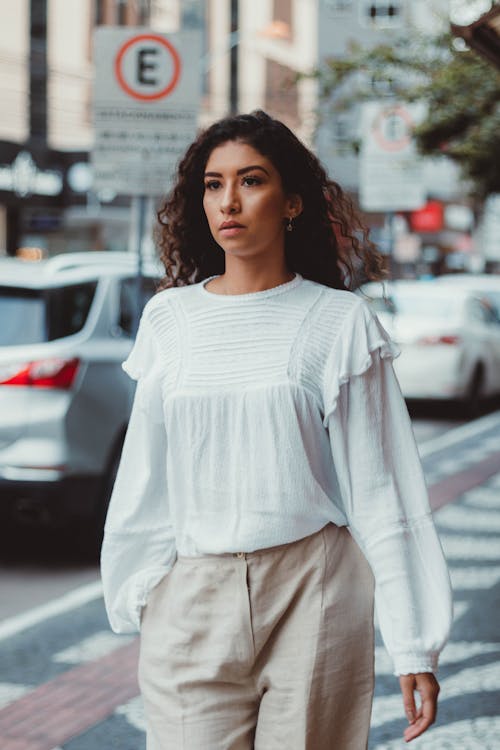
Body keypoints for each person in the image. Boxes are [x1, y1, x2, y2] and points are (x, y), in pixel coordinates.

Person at [101, 110, 452, 750]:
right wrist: (139, 590)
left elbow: (385, 493)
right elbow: (146, 475)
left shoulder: (338, 322)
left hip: (314, 591)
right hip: (193, 593)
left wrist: (414, 645)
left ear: (291, 201)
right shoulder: (169, 320)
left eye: (250, 181)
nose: (228, 201)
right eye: (212, 184)